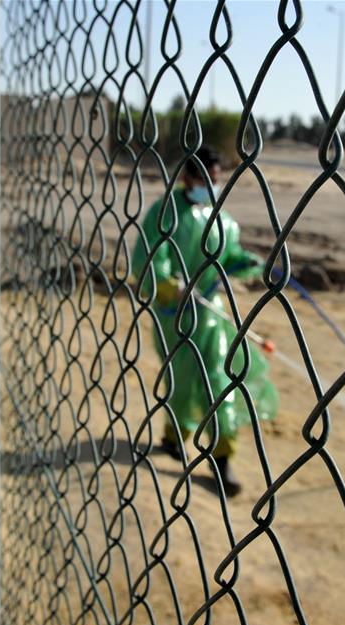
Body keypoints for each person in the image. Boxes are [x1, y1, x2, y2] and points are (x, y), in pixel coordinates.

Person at [132, 146, 278, 496]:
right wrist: (170, 285)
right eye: (205, 179)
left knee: (219, 381)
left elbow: (227, 256)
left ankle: (221, 458)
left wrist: (251, 262)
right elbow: (148, 258)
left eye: (216, 179)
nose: (212, 186)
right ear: (187, 178)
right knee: (180, 383)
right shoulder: (165, 214)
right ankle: (173, 437)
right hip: (175, 317)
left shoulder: (221, 219)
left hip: (211, 315)